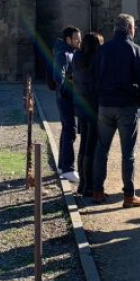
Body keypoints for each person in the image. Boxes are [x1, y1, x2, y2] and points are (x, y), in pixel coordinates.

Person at [92, 14, 140, 208]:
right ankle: (128, 196)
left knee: (102, 149)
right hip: (127, 106)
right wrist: (139, 100)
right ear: (130, 29)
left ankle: (97, 191)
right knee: (128, 153)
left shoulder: (102, 50)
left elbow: (94, 75)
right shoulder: (136, 50)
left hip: (105, 105)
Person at [72, 32, 104, 197]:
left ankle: (83, 184)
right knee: (92, 147)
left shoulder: (77, 58)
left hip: (81, 107)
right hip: (94, 107)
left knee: (84, 145)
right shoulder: (95, 60)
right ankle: (89, 186)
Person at [53, 26, 82, 183]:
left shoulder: (71, 52)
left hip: (66, 97)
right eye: (76, 38)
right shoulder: (63, 54)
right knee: (70, 130)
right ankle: (68, 170)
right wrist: (68, 89)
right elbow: (59, 77)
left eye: (80, 38)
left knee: (67, 130)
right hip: (66, 98)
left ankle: (62, 165)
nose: (79, 40)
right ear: (68, 39)